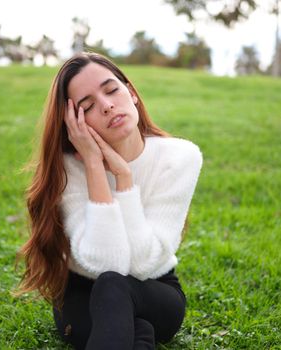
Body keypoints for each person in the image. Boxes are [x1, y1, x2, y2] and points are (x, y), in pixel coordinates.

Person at [16, 52, 203, 349]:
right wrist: (93, 165)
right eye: (87, 106)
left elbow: (141, 265)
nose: (106, 106)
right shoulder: (68, 169)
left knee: (116, 287)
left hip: (154, 290)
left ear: (131, 93)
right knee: (131, 324)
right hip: (83, 295)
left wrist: (123, 178)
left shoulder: (180, 157)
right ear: (74, 123)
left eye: (112, 90)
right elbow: (106, 263)